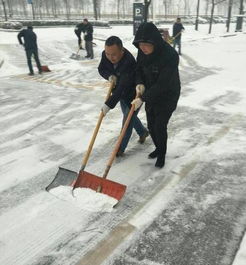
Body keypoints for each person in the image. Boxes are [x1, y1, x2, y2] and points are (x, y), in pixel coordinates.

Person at [132, 22, 181, 168]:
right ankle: (158, 148)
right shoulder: (142, 51)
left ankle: (162, 154)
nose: (143, 48)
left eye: (146, 44)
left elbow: (163, 84)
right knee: (152, 125)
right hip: (150, 94)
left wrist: (142, 99)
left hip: (168, 94)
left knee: (160, 125)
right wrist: (139, 83)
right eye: (140, 44)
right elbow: (138, 69)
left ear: (155, 41)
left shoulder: (170, 55)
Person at [98, 36, 149, 157]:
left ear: (122, 50)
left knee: (127, 120)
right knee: (130, 117)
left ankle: (120, 148)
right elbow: (101, 69)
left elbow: (122, 87)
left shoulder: (129, 62)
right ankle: (143, 132)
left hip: (134, 93)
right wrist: (109, 75)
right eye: (107, 54)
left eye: (114, 54)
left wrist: (108, 105)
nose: (111, 58)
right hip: (119, 92)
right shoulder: (106, 54)